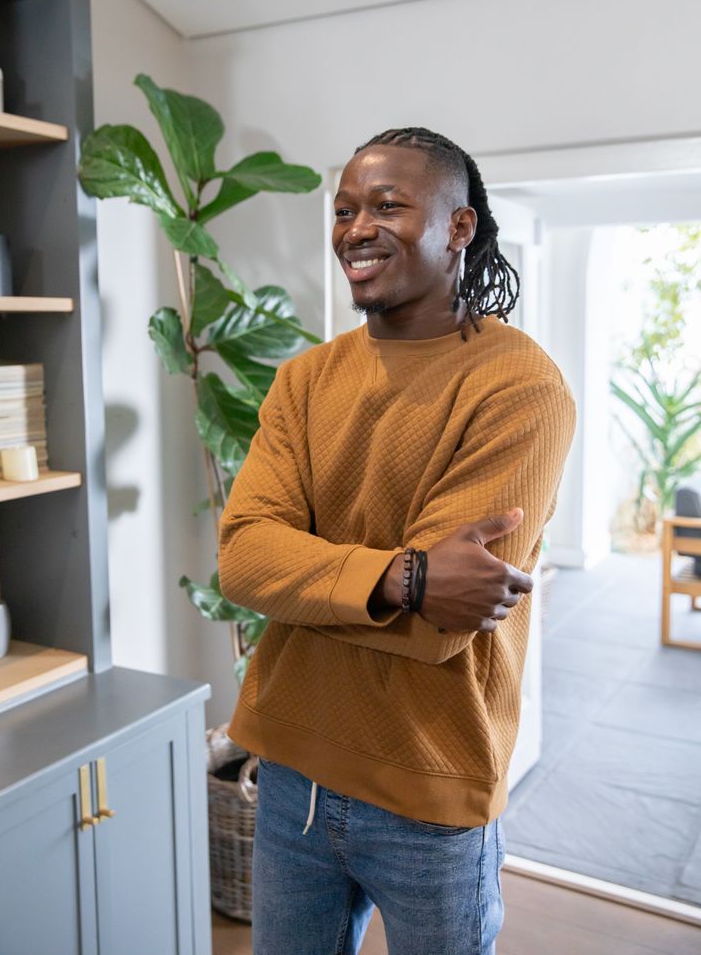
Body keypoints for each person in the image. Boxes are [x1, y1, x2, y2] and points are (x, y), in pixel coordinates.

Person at [218, 127, 576, 955]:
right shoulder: (306, 379)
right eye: (344, 209)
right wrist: (408, 577)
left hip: (430, 792)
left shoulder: (521, 387)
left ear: (459, 227)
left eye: (387, 205)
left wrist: (312, 578)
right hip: (291, 777)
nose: (355, 227)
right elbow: (243, 559)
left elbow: (446, 632)